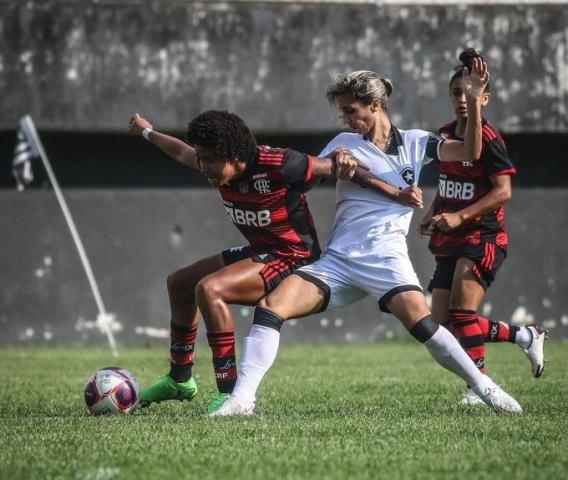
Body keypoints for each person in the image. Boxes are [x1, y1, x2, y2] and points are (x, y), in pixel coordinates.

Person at [210, 58, 523, 417]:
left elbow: (470, 152)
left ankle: (486, 388)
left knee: (424, 326)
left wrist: (475, 98)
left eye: (351, 111)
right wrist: (331, 166)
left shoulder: (418, 143)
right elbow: (308, 178)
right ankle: (242, 400)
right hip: (339, 261)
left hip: (386, 259)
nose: (346, 120)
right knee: (269, 309)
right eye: (343, 113)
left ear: (375, 105)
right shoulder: (343, 142)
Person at [128, 110, 421, 412]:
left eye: (210, 160)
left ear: (232, 154)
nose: (203, 167)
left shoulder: (279, 163)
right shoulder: (214, 165)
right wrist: (146, 132)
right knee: (180, 283)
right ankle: (180, 379)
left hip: (293, 256)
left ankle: (230, 392)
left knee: (210, 289)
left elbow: (340, 168)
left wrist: (395, 193)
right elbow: (180, 151)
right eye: (201, 159)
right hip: (261, 249)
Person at [417, 48, 548, 405]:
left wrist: (461, 216)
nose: (462, 99)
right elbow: (449, 184)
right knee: (442, 323)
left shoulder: (488, 138)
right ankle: (525, 335)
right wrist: (434, 212)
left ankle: (477, 387)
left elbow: (502, 190)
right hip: (451, 237)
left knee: (462, 313)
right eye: (456, 93)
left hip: (482, 236)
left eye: (470, 92)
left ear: (484, 97)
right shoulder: (445, 135)